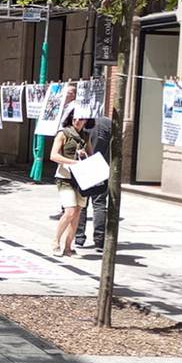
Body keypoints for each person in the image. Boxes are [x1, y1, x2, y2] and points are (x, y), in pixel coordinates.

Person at [50, 109, 92, 256]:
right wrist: (73, 162)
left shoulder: (86, 136)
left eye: (81, 118)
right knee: (69, 211)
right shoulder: (63, 134)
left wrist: (84, 156)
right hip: (65, 177)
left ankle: (68, 247)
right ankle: (56, 241)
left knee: (77, 213)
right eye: (75, 118)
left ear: (86, 120)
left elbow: (90, 156)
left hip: (81, 179)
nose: (77, 121)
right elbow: (53, 155)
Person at [75, 116, 112, 251]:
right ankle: (99, 240)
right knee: (100, 204)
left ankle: (79, 238)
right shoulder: (107, 123)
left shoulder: (81, 121)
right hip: (101, 166)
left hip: (84, 166)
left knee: (82, 203)